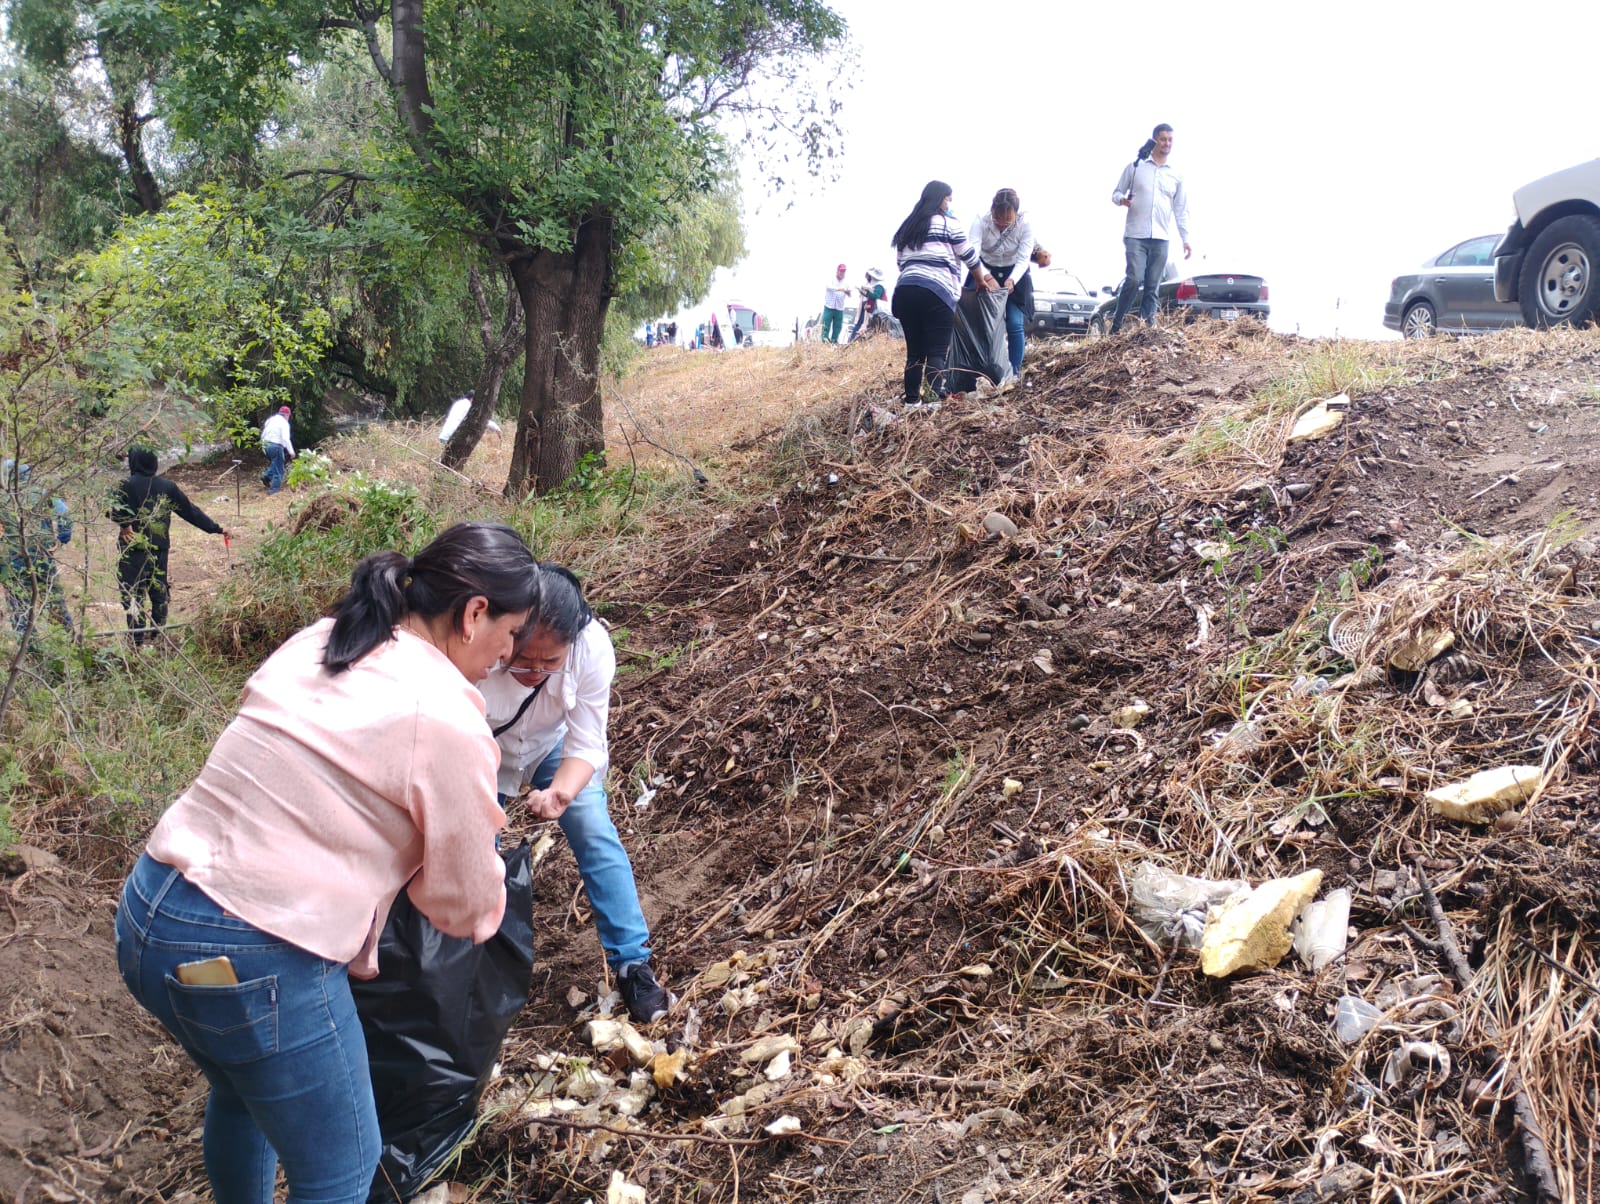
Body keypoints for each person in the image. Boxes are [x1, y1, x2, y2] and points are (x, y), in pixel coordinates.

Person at [115, 522, 542, 1203]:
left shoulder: (327, 638)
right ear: (474, 614)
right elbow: (461, 905)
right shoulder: (443, 713)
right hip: (254, 954)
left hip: (148, 913)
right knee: (343, 1167)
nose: (509, 652)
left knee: (241, 1094)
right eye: (511, 632)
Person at [480, 565, 668, 1024]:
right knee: (477, 853)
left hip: (551, 745)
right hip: (480, 748)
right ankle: (473, 967)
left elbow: (586, 743)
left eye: (549, 663)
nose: (534, 671)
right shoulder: (483, 640)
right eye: (523, 659)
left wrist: (560, 794)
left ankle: (632, 964)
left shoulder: (591, 648)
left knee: (592, 828)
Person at [108, 446, 231, 647]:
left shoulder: (124, 485)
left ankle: (136, 640)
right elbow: (190, 512)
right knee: (159, 593)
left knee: (133, 594)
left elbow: (111, 508)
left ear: (134, 461)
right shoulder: (167, 487)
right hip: (159, 548)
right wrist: (216, 528)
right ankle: (158, 635)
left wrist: (125, 525)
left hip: (132, 550)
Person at [890, 180, 997, 405]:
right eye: (949, 199)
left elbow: (901, 263)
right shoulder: (949, 223)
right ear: (940, 199)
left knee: (915, 353)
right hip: (937, 293)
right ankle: (933, 401)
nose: (950, 204)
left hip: (905, 291)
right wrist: (980, 280)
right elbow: (969, 256)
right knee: (937, 351)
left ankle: (911, 402)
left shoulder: (908, 226)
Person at [1109, 123, 1191, 334]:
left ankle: (1146, 329)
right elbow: (1116, 193)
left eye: (1170, 140)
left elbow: (1181, 209)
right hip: (1136, 234)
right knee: (1134, 278)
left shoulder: (1175, 174)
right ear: (1154, 140)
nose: (1167, 143)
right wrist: (1122, 201)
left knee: (1152, 286)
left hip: (1161, 237)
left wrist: (1186, 238)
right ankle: (1117, 325)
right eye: (1163, 139)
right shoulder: (1136, 167)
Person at [969, 189, 1036, 379]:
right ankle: (978, 370)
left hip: (1014, 272)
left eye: (1007, 221)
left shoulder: (1025, 224)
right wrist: (986, 277)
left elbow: (1024, 258)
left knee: (1014, 324)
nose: (1001, 225)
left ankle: (1014, 373)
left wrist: (1012, 279)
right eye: (997, 219)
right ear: (992, 210)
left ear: (1016, 214)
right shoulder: (980, 221)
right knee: (981, 324)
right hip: (984, 269)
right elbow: (972, 254)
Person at [1, 460, 73, 635]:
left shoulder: (2, 499)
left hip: (12, 562)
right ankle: (68, 641)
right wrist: (62, 539)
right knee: (54, 601)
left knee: (20, 608)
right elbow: (65, 514)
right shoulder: (42, 493)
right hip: (42, 556)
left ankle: (29, 648)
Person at [438, 389, 502, 446]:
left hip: (444, 435)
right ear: (473, 399)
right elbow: (480, 419)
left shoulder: (459, 403)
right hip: (453, 436)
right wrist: (497, 428)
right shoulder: (468, 406)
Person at [260, 405, 295, 495]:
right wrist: (291, 452)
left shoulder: (270, 420)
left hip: (265, 446)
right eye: (288, 416)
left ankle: (266, 477)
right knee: (279, 469)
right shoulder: (284, 423)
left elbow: (263, 433)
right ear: (286, 415)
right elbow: (285, 438)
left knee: (276, 463)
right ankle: (274, 490)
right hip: (276, 446)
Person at [849, 268, 887, 340]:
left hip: (873, 310)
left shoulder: (879, 286)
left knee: (868, 326)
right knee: (860, 324)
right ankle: (853, 340)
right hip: (867, 307)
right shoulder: (870, 284)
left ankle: (856, 340)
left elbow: (875, 296)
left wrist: (865, 293)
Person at [822, 263, 850, 344]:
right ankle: (824, 342)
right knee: (825, 326)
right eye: (841, 271)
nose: (842, 273)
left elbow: (849, 293)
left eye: (843, 271)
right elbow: (828, 287)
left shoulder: (846, 283)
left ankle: (834, 342)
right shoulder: (831, 279)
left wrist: (848, 293)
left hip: (839, 308)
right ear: (837, 271)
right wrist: (839, 289)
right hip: (829, 307)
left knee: (837, 328)